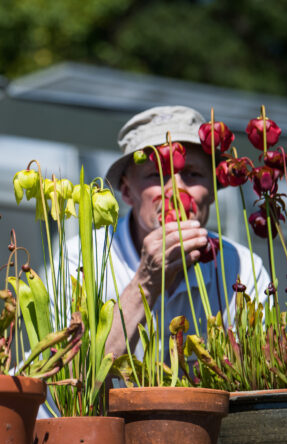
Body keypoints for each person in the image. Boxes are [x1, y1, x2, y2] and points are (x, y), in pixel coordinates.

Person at [77, 105, 270, 362]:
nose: (176, 190)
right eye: (157, 174)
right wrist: (146, 282)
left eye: (192, 174)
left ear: (214, 188)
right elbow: (73, 382)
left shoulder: (241, 266)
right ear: (126, 192)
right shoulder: (81, 260)